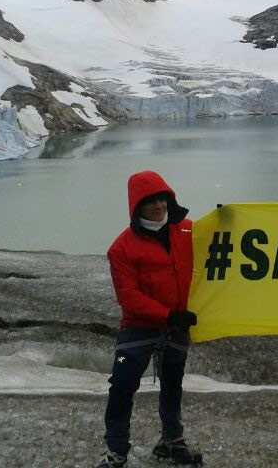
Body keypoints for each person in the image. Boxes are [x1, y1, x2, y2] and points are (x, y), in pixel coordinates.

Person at [96, 170, 203, 468]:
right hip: (139, 328)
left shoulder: (186, 231)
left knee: (173, 385)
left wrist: (230, 219)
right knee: (121, 387)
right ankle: (116, 450)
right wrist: (169, 315)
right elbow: (128, 297)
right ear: (137, 206)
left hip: (177, 326)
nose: (159, 206)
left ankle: (172, 440)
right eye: (151, 201)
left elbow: (218, 236)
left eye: (163, 199)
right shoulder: (122, 248)